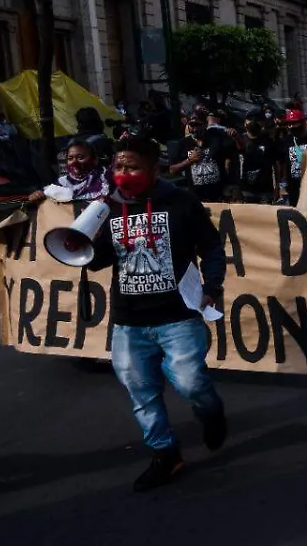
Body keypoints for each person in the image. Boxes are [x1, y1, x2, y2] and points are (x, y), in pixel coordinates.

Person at [87, 135, 227, 492]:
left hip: (178, 314)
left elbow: (210, 246)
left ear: (154, 169)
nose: (123, 173)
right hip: (129, 320)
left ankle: (210, 414)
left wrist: (212, 287)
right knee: (140, 391)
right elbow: (99, 260)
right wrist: (88, 240)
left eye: (132, 166)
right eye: (118, 166)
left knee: (192, 382)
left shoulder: (181, 202)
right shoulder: (107, 208)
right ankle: (165, 453)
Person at [170, 113, 232, 203]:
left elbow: (231, 157)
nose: (195, 129)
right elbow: (172, 170)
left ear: (205, 124)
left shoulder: (216, 139)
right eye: (192, 125)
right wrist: (189, 161)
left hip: (219, 195)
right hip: (196, 197)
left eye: (198, 125)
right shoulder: (182, 144)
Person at [28, 139, 112, 203]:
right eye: (70, 158)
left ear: (94, 160)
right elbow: (45, 194)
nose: (74, 162)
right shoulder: (62, 182)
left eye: (80, 157)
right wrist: (37, 195)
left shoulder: (106, 177)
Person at [237, 111, 283, 204]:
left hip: (265, 191)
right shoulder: (239, 140)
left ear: (263, 123)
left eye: (257, 119)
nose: (253, 121)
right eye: (250, 119)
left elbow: (277, 165)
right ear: (244, 122)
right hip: (245, 190)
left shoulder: (269, 141)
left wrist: (278, 187)